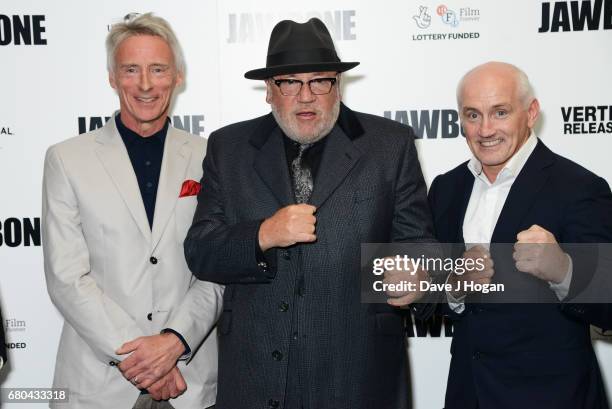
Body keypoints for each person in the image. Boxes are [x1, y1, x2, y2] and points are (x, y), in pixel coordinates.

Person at [184, 17, 436, 409]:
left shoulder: (390, 144)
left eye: (320, 81)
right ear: (269, 90)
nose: (306, 96)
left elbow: (419, 243)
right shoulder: (227, 147)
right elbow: (201, 251)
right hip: (256, 378)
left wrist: (416, 276)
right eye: (290, 82)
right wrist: (262, 235)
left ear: (338, 85)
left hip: (359, 375)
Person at [42, 13, 222, 409]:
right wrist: (146, 361)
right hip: (97, 387)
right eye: (130, 70)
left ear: (178, 76)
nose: (145, 84)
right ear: (111, 77)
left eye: (158, 69)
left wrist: (174, 343)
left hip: (190, 384)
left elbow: (219, 269)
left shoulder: (212, 156)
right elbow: (67, 277)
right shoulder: (66, 159)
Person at [428, 61, 612, 409]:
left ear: (530, 113)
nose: (485, 129)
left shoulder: (579, 187)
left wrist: (565, 270)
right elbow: (427, 293)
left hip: (554, 397)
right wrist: (454, 286)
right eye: (472, 115)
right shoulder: (446, 189)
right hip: (468, 394)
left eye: (500, 112)